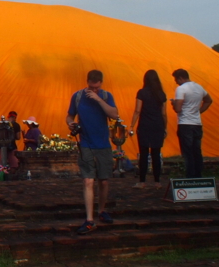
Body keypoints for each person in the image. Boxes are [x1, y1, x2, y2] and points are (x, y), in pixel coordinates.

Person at [66, 70, 118, 234]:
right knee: (88, 180)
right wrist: (70, 123)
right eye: (91, 87)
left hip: (102, 143)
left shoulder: (106, 96)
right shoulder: (78, 96)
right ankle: (89, 219)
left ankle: (101, 210)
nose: (93, 90)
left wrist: (98, 99)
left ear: (101, 83)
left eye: (96, 87)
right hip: (86, 142)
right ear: (87, 82)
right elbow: (69, 116)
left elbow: (115, 115)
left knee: (103, 181)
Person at [171, 68, 213, 178]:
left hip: (185, 123)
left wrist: (174, 104)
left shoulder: (181, 89)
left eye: (176, 79)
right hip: (197, 124)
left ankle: (190, 176)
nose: (176, 82)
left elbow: (178, 109)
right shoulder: (199, 87)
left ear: (180, 78)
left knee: (187, 152)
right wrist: (199, 111)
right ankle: (198, 175)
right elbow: (208, 100)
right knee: (197, 151)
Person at [128, 70, 168, 187]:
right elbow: (164, 113)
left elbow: (137, 111)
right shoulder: (161, 94)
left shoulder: (142, 93)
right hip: (158, 126)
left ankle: (142, 181)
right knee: (156, 154)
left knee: (144, 154)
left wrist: (131, 126)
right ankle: (157, 181)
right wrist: (165, 127)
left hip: (145, 126)